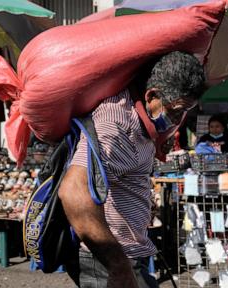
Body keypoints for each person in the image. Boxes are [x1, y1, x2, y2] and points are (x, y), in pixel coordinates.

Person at [58, 51, 205, 288]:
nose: (178, 119)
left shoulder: (143, 116)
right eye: (176, 110)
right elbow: (73, 192)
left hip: (129, 252)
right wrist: (118, 266)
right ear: (152, 95)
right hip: (110, 259)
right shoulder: (116, 126)